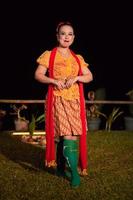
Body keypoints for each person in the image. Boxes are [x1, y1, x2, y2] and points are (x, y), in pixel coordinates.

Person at [34, 21, 93, 187]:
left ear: (73, 37)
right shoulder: (49, 55)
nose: (66, 37)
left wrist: (77, 77)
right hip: (58, 98)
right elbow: (38, 74)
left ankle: (61, 166)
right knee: (67, 134)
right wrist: (53, 80)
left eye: (70, 34)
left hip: (75, 100)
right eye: (63, 33)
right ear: (57, 36)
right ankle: (74, 173)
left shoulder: (77, 58)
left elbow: (89, 76)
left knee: (73, 136)